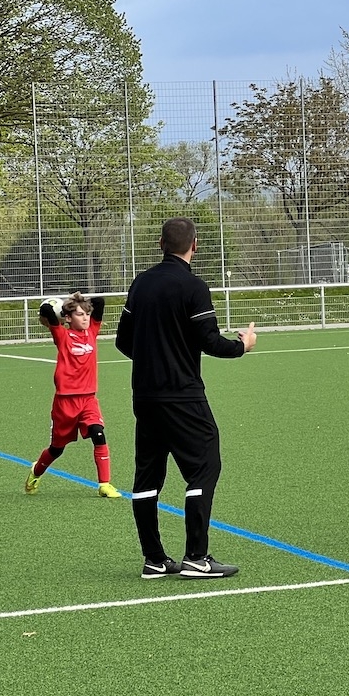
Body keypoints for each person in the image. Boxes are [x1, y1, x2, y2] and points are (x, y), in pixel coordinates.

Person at [115, 217, 257, 580]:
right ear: (195, 245)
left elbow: (123, 341)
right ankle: (196, 556)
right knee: (204, 467)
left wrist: (153, 361)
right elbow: (210, 341)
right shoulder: (193, 287)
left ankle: (154, 560)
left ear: (160, 244)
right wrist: (242, 345)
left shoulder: (141, 283)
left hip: (145, 396)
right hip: (182, 395)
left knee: (147, 477)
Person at [24, 292, 122, 499]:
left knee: (98, 433)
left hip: (88, 399)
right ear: (67, 318)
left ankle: (104, 484)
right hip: (65, 402)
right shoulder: (62, 335)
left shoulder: (92, 331)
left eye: (87, 314)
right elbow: (46, 310)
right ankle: (36, 471)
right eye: (79, 315)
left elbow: (99, 302)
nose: (85, 318)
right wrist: (61, 309)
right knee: (56, 449)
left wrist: (79, 302)